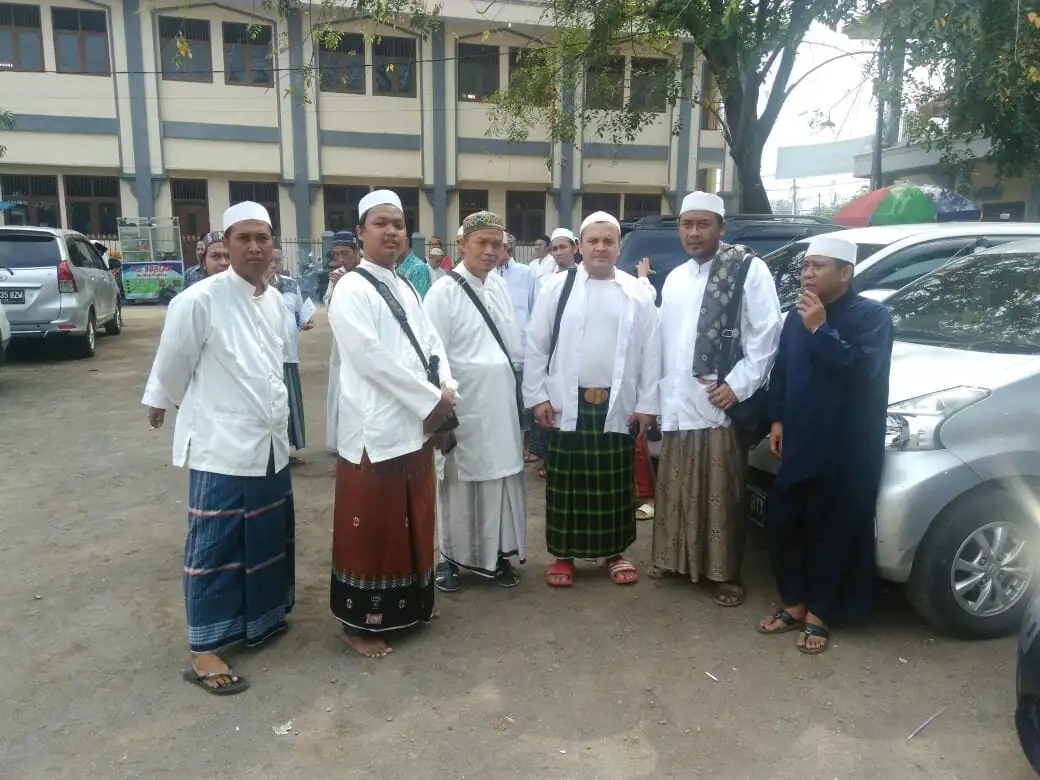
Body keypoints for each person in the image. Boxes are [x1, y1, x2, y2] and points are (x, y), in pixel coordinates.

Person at [142, 201, 294, 695]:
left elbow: (276, 369)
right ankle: (204, 649)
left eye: (263, 238)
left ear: (274, 246)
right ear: (225, 245)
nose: (254, 247)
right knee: (214, 546)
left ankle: (259, 622)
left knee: (267, 537)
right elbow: (174, 362)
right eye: (244, 237)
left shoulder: (276, 300)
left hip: (269, 441)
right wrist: (161, 402)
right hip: (221, 445)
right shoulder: (199, 299)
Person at [328, 189, 457, 658]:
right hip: (375, 432)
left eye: (399, 224)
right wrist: (432, 401)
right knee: (374, 530)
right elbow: (370, 360)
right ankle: (359, 625)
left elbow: (432, 344)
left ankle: (413, 608)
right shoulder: (351, 288)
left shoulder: (406, 285)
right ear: (361, 233)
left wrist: (445, 386)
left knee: (415, 518)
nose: (391, 231)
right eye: (380, 223)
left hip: (415, 427)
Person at [758, 234, 893, 655]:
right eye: (805, 266)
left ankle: (821, 611)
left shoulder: (873, 317)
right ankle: (795, 602)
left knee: (831, 528)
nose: (808, 273)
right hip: (801, 438)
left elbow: (860, 369)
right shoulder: (795, 316)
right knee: (786, 522)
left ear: (846, 273)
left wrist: (820, 328)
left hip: (847, 445)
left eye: (818, 266)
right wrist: (777, 418)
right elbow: (781, 370)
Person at [651, 191, 782, 607]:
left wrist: (739, 385)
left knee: (720, 490)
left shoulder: (747, 269)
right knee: (676, 486)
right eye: (686, 224)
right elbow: (666, 343)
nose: (693, 232)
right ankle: (676, 560)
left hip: (717, 402)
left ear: (721, 228)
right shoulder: (674, 278)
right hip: (677, 399)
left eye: (703, 224)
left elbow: (766, 335)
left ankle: (726, 574)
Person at [523, 211, 660, 587]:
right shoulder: (557, 287)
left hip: (617, 406)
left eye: (608, 240)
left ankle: (613, 552)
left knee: (614, 486)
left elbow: (651, 351)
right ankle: (563, 556)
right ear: (580, 247)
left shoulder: (637, 292)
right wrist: (537, 397)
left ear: (619, 246)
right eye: (593, 240)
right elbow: (536, 345)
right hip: (569, 404)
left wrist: (647, 403)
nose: (600, 247)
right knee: (565, 485)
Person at [424, 210, 526, 592]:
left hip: (501, 406)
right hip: (464, 407)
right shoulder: (443, 292)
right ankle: (449, 559)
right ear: (462, 244)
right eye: (481, 242)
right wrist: (440, 408)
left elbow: (511, 346)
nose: (489, 250)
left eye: (497, 244)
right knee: (458, 483)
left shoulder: (499, 286)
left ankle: (497, 554)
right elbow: (433, 357)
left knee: (500, 478)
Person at [527, 227, 579, 477]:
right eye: (555, 248)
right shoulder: (546, 278)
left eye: (563, 247)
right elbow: (538, 336)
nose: (558, 253)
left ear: (576, 248)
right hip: (549, 359)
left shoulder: (584, 280)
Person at [267, 248, 314, 463]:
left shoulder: (290, 284)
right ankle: (270, 453)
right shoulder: (253, 286)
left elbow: (297, 316)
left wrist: (303, 323)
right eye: (270, 260)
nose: (274, 265)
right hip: (266, 358)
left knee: (289, 404)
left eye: (278, 260)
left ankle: (285, 450)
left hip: (289, 355)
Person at [324, 230, 360, 455]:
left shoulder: (367, 272)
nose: (341, 260)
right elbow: (329, 304)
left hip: (363, 343)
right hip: (341, 343)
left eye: (345, 253)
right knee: (340, 388)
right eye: (336, 254)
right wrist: (337, 287)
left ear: (357, 252)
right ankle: (339, 440)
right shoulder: (337, 275)